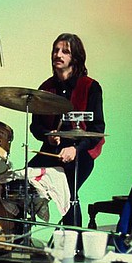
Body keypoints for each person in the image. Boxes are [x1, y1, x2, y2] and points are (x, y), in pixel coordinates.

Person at [28, 33, 105, 226]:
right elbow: (35, 126)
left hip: (81, 152)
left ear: (75, 58)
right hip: (51, 150)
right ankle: (22, 236)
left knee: (69, 190)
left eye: (65, 51)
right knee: (25, 181)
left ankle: (74, 244)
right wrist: (48, 136)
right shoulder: (45, 88)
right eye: (56, 50)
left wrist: (75, 149)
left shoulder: (91, 87)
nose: (58, 55)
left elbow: (97, 129)